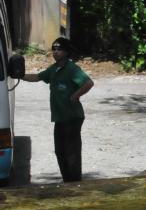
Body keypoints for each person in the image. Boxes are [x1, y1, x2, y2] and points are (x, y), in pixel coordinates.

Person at [22, 36, 93, 182]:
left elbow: (88, 83)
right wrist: (19, 75)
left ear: (66, 52)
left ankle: (75, 183)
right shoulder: (54, 69)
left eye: (59, 49)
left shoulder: (71, 68)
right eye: (53, 49)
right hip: (60, 117)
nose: (55, 52)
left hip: (72, 117)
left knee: (71, 152)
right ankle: (67, 180)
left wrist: (75, 95)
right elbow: (37, 77)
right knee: (60, 151)